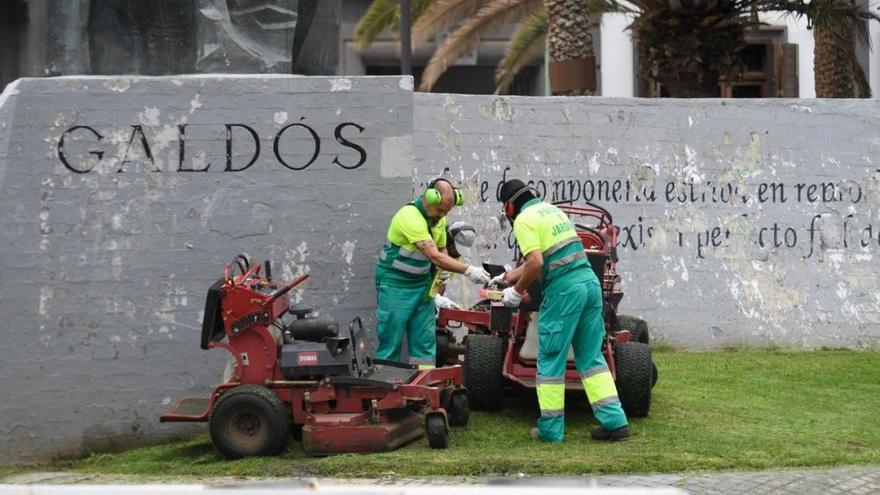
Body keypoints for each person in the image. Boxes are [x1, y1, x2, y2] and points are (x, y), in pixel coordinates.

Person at [493, 179, 630, 442]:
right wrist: (510, 277)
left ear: (510, 207)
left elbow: (535, 262)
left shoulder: (523, 220)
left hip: (564, 292)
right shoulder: (551, 211)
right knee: (591, 359)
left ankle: (551, 430)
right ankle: (615, 422)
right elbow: (545, 258)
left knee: (551, 358)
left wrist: (516, 292)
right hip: (590, 285)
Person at [375, 179, 491, 368]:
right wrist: (468, 270)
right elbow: (434, 255)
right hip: (396, 286)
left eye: (446, 212)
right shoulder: (409, 217)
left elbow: (442, 248)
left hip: (422, 288)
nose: (442, 216)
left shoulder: (438, 218)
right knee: (391, 343)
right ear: (429, 198)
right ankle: (389, 391)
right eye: (440, 211)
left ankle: (424, 388)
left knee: (424, 344)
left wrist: (441, 275)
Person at [432, 221, 477, 311]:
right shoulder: (432, 251)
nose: (457, 254)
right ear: (448, 241)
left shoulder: (454, 256)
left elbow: (441, 283)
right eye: (456, 249)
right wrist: (435, 300)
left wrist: (438, 300)